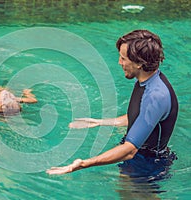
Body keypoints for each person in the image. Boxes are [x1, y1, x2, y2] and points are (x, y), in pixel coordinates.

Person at [46, 30, 178, 181]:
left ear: (140, 63)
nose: (119, 62)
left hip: (147, 165)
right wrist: (100, 122)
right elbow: (142, 118)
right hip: (139, 157)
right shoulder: (147, 80)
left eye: (123, 58)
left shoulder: (156, 96)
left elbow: (129, 150)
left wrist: (84, 163)